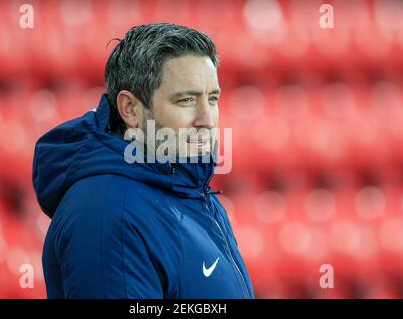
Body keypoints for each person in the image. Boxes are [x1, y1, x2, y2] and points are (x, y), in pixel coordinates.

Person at [33, 23, 254, 299]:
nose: (207, 120)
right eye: (185, 100)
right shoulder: (108, 214)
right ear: (130, 109)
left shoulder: (195, 192)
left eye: (212, 99)